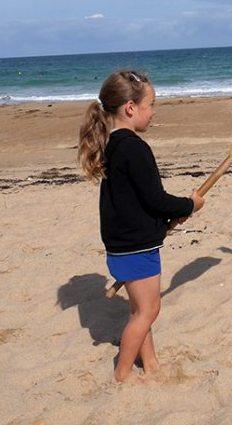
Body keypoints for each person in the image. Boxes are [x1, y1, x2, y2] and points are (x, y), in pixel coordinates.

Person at [78, 69, 205, 382]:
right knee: (148, 311)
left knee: (139, 310)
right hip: (136, 246)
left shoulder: (112, 145)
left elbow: (133, 199)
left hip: (120, 243)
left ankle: (150, 364)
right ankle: (121, 375)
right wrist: (189, 205)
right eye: (151, 105)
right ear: (130, 108)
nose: (154, 112)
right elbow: (155, 199)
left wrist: (168, 216)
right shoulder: (135, 148)